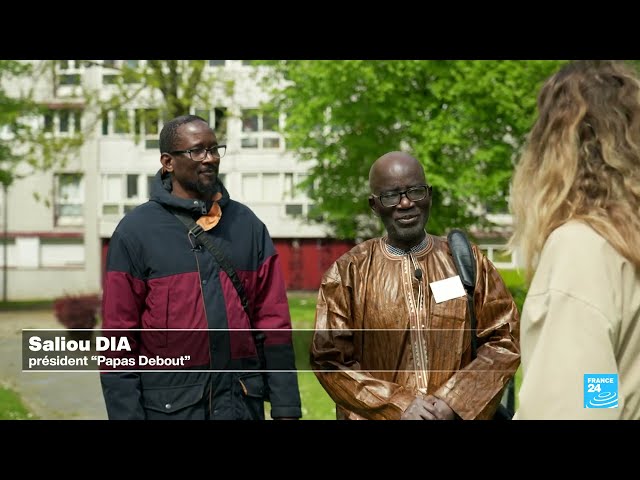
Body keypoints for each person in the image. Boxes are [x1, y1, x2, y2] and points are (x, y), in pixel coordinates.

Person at [100, 114, 302, 420]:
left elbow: (273, 324)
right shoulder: (135, 232)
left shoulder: (247, 226)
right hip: (170, 411)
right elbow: (118, 340)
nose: (209, 159)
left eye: (214, 149)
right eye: (197, 151)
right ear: (168, 162)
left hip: (241, 407)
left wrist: (286, 407)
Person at [310, 151, 520, 420]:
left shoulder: (467, 261)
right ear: (374, 205)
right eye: (391, 195)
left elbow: (504, 338)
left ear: (429, 194)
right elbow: (329, 361)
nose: (406, 203)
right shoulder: (348, 273)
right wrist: (398, 405)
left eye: (415, 191)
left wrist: (455, 401)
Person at [510, 60, 640, 420]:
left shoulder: (581, 251)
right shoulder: (619, 245)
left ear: (553, 147)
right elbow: (600, 386)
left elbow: (575, 407)